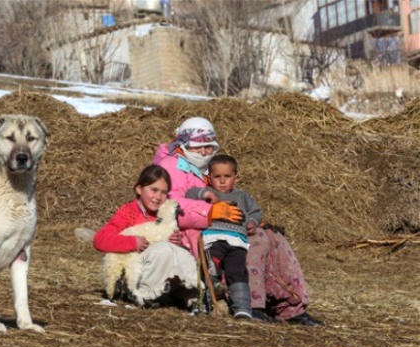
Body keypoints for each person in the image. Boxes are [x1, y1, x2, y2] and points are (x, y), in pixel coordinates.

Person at [153, 116, 324, 326]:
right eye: (199, 147)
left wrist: (249, 219)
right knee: (254, 241)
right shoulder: (172, 166)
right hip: (195, 233)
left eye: (209, 146)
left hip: (220, 225)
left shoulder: (206, 167)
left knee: (272, 238)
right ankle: (252, 304)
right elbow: (169, 204)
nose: (205, 152)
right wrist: (210, 212)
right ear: (184, 143)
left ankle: (290, 306)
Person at [93, 164, 199, 309]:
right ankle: (142, 294)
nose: (158, 197)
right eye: (153, 190)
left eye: (164, 192)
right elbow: (100, 240)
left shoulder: (165, 215)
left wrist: (176, 243)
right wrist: (132, 242)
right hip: (131, 273)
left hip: (157, 273)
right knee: (163, 250)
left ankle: (194, 292)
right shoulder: (129, 212)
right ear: (139, 189)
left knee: (179, 253)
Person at [186, 154, 261, 320]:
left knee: (238, 272)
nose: (222, 181)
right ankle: (203, 303)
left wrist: (252, 222)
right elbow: (189, 195)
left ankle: (242, 308)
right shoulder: (209, 193)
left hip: (237, 241)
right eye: (217, 176)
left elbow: (256, 212)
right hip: (213, 238)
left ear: (236, 177)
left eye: (227, 176)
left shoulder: (242, 196)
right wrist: (203, 193)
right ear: (209, 178)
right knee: (210, 268)